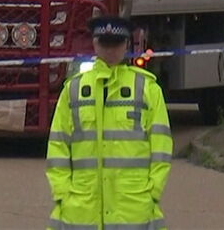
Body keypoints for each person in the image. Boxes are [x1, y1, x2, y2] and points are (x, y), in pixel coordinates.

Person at [46, 16, 172, 230]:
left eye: (116, 44)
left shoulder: (148, 89)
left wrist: (152, 192)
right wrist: (63, 193)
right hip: (81, 208)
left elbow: (161, 149)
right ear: (94, 43)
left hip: (132, 208)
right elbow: (58, 146)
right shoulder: (74, 89)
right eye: (105, 44)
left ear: (126, 45)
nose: (110, 51)